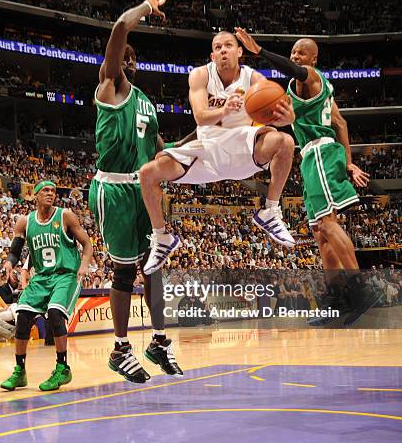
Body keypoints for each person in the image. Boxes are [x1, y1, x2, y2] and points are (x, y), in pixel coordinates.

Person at [234, 29, 377, 325]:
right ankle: (336, 298)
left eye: (301, 53)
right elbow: (340, 121)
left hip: (321, 153)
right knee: (320, 235)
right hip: (313, 156)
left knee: (328, 223)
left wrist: (259, 51)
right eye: (293, 53)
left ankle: (360, 290)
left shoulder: (309, 75)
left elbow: (299, 76)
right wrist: (349, 163)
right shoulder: (313, 92)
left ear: (313, 58)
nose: (295, 57)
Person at [88, 0, 189, 383]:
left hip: (142, 189)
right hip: (113, 188)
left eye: (131, 55)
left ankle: (159, 342)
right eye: (121, 54)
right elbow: (118, 27)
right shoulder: (109, 88)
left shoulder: (148, 101)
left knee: (156, 266)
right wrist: (146, 9)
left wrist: (206, 142)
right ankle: (120, 349)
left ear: (138, 62)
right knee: (124, 272)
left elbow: (163, 150)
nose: (126, 58)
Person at [139, 30, 297, 276]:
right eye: (218, 47)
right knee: (147, 173)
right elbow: (200, 116)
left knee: (285, 142)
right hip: (207, 150)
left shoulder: (254, 79)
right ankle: (162, 238)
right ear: (212, 55)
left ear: (239, 51)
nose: (223, 50)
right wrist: (224, 110)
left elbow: (279, 110)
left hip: (243, 146)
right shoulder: (200, 75)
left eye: (228, 45)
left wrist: (289, 118)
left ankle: (270, 210)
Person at [0, 180, 92, 391]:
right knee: (22, 316)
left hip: (66, 275)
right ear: (36, 195)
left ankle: (62, 368)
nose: (51, 194)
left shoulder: (65, 216)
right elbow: (15, 251)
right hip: (41, 277)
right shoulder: (25, 222)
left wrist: (84, 266)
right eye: (46, 190)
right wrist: (9, 263)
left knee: (55, 313)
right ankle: (20, 371)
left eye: (53, 191)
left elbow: (87, 243)